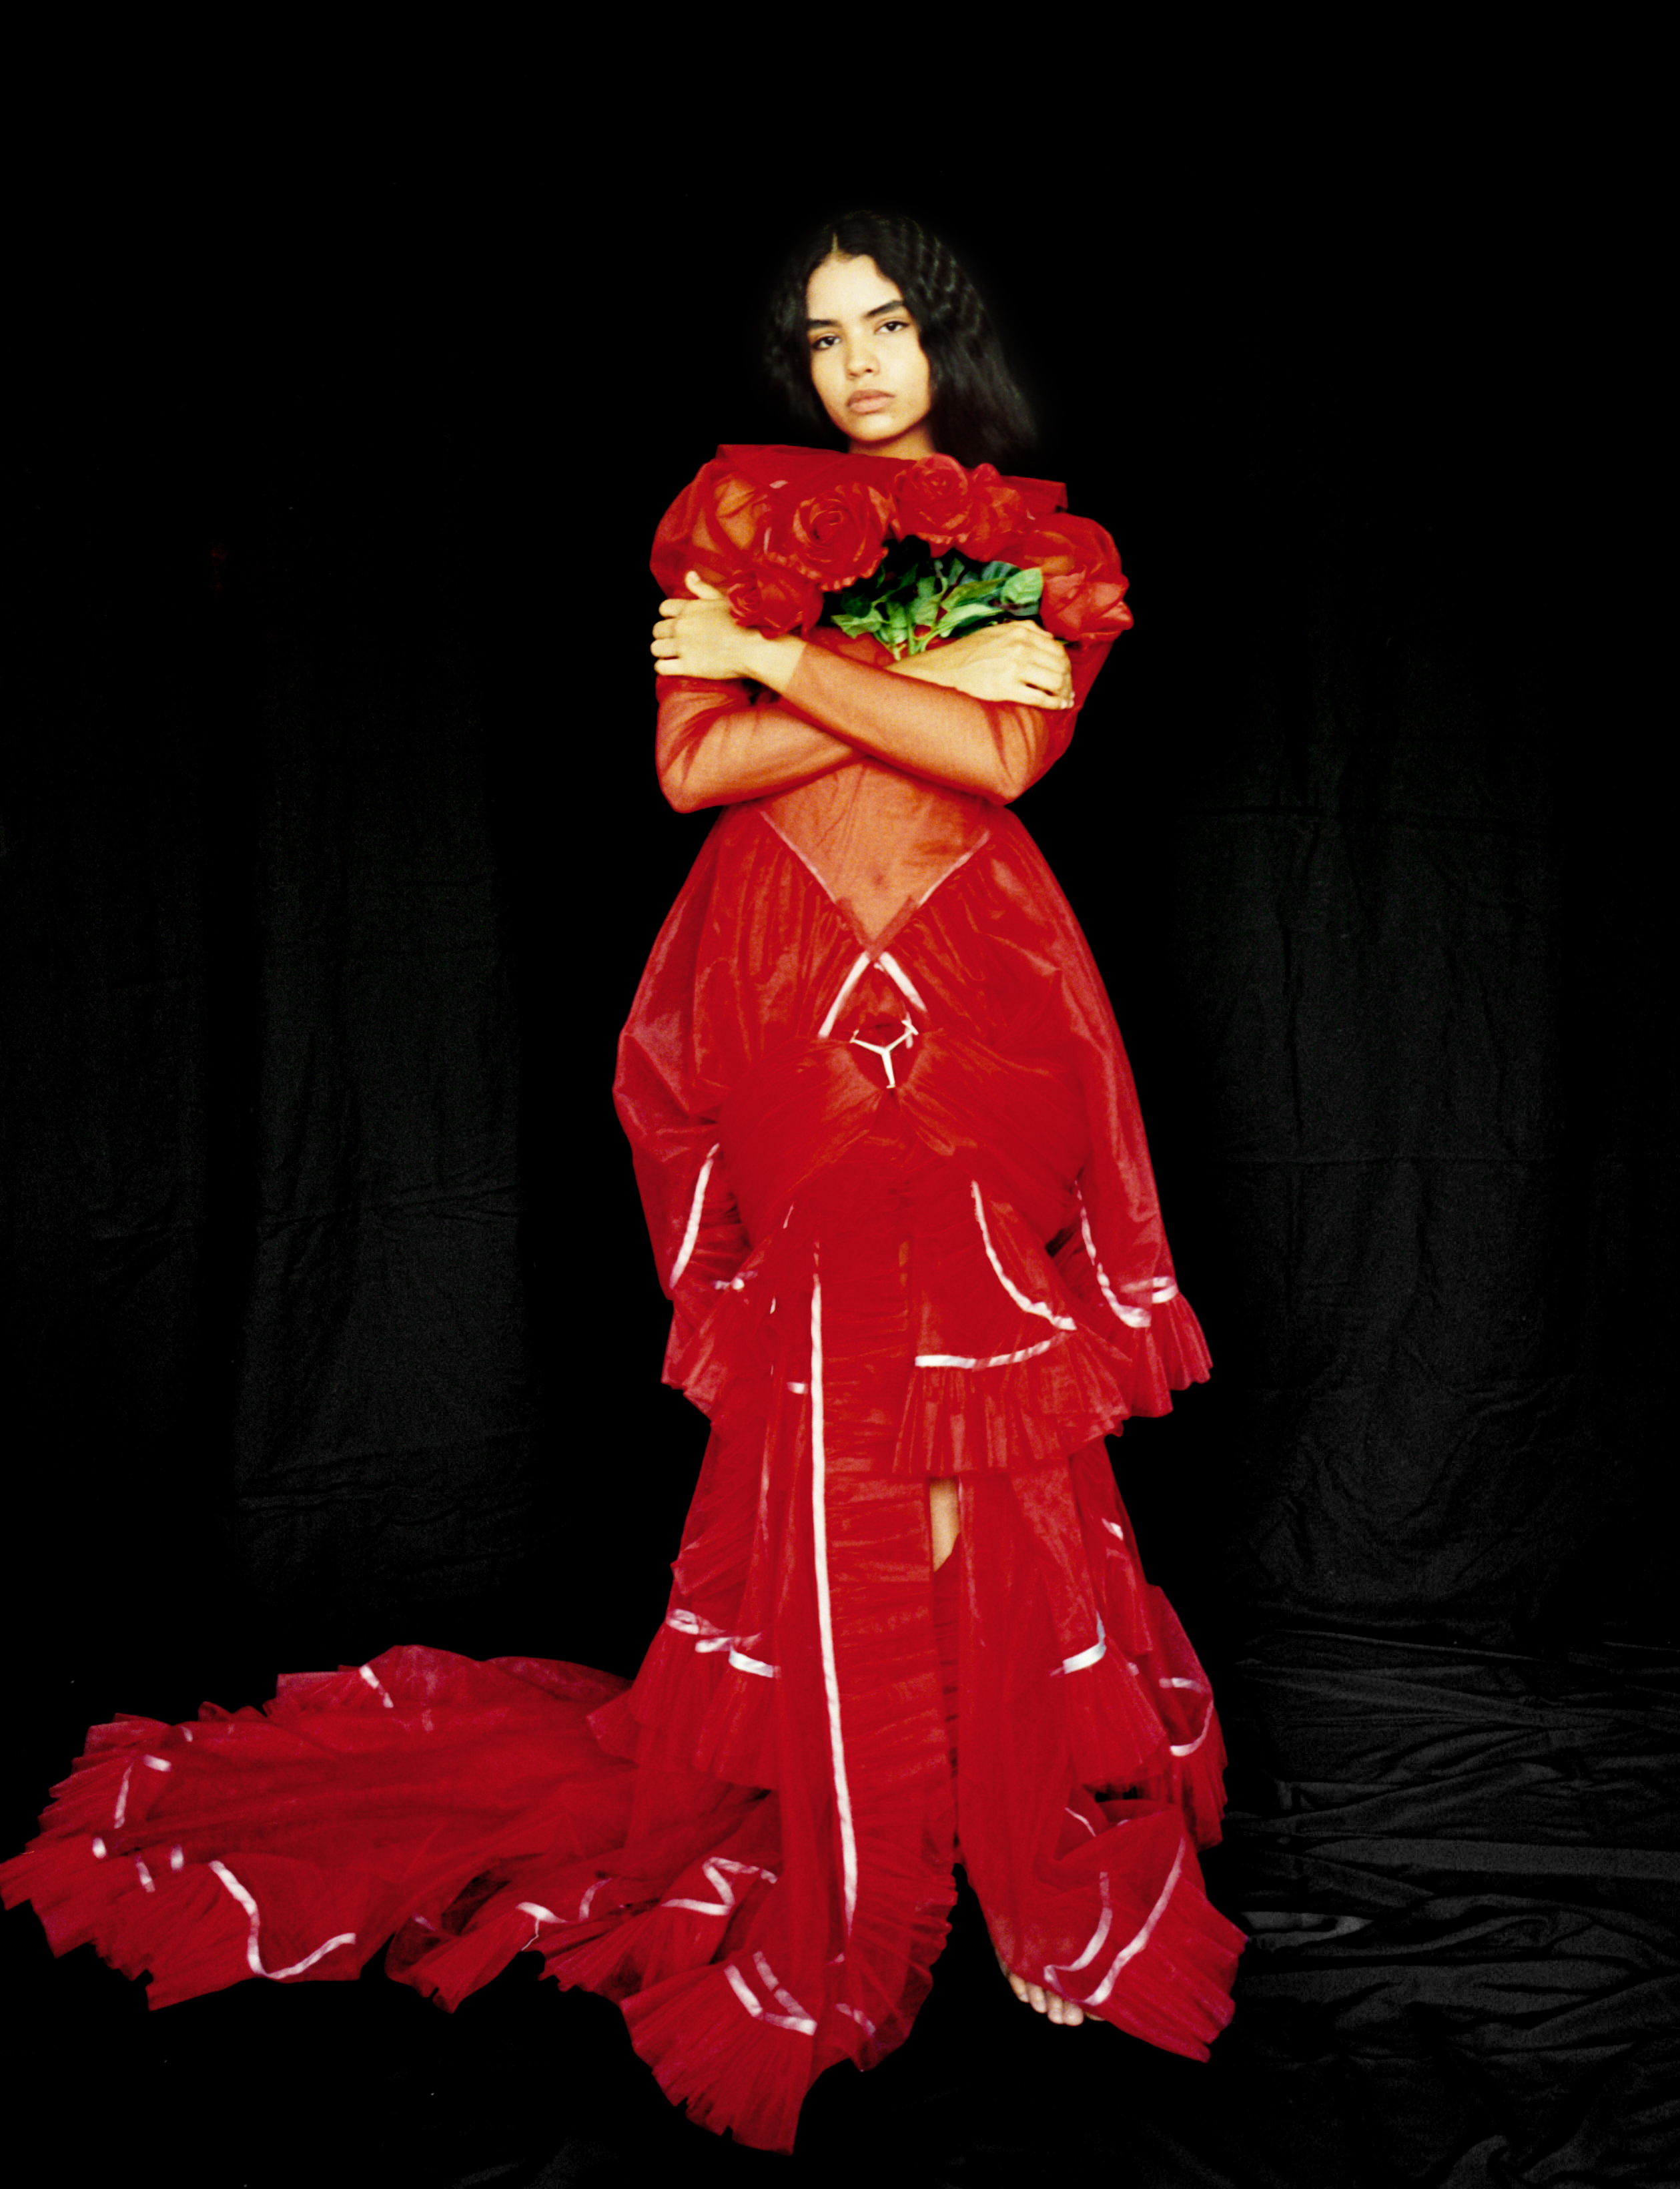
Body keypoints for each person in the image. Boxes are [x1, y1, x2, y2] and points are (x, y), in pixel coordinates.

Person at [1, 212, 1244, 2157]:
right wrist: (857, 660)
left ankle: (999, 1839)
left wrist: (791, 668)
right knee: (838, 1409)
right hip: (786, 997)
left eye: (890, 324)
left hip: (983, 1001)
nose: (859, 363)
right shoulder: (742, 516)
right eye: (823, 335)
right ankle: (874, 1829)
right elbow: (692, 769)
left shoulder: (1039, 540)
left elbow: (1005, 767)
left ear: (954, 336)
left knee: (978, 1422)